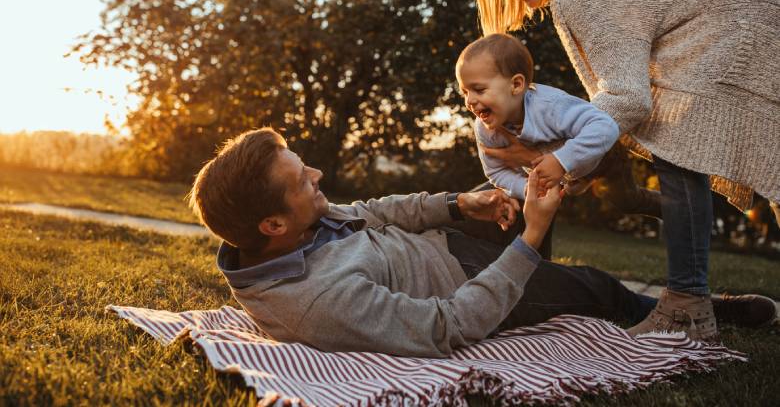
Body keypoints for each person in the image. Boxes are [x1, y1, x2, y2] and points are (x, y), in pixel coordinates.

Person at [188, 127, 775, 357]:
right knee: (593, 285)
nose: (316, 177)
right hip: (467, 286)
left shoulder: (294, 229)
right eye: (301, 180)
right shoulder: (315, 301)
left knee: (522, 188)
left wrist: (459, 204)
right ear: (272, 226)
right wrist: (532, 239)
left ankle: (541, 244)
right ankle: (691, 311)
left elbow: (373, 211)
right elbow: (447, 327)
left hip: (450, 242)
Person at [466, 0, 780, 341]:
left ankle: (687, 305)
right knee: (682, 139)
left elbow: (628, 96)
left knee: (678, 137)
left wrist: (564, 160)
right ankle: (689, 293)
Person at [457, 32, 620, 199]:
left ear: (516, 84)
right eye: (464, 92)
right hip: (566, 177)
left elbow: (606, 126)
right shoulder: (484, 128)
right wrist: (526, 188)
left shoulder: (550, 106)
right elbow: (496, 171)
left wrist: (560, 161)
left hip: (606, 161)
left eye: (479, 90)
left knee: (623, 196)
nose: (469, 100)